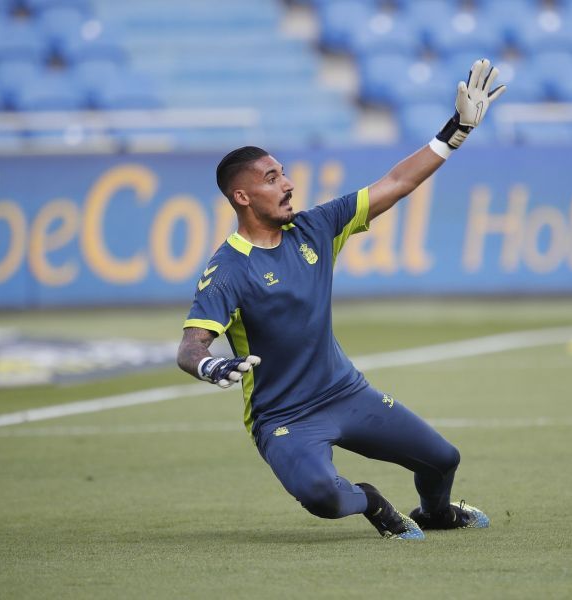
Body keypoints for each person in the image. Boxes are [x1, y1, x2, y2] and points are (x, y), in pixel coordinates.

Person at [176, 59, 506, 540]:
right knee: (327, 499)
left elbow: (396, 183)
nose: (287, 183)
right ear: (243, 198)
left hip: (346, 394)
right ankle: (371, 500)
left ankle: (435, 513)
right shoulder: (228, 269)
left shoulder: (315, 226)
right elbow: (190, 347)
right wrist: (211, 366)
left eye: (283, 173)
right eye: (271, 178)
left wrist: (455, 132)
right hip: (284, 417)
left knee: (443, 459)